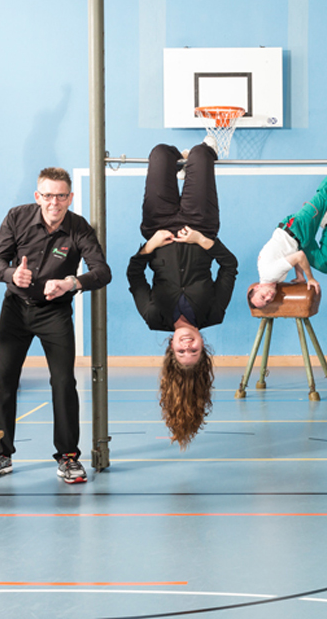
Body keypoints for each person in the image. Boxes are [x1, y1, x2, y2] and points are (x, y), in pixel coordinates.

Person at [0, 167, 112, 484]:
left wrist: (71, 283)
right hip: (15, 309)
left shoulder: (79, 228)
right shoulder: (17, 217)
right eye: (48, 195)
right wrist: (12, 274)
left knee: (63, 383)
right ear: (38, 196)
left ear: (70, 197)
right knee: (4, 382)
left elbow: (102, 272)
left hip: (55, 312)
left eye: (61, 196)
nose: (54, 202)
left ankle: (68, 457)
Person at [126, 139, 238, 450]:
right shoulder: (213, 313)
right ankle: (191, 167)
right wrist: (202, 241)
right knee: (201, 153)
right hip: (200, 223)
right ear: (203, 348)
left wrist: (150, 246)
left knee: (160, 153)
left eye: (181, 352)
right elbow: (229, 267)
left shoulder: (154, 317)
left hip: (158, 224)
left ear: (170, 348)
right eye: (194, 351)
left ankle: (179, 168)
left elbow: (134, 275)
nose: (187, 346)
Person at [248, 145, 327, 309]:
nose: (269, 297)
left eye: (263, 296)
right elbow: (291, 255)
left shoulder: (270, 274)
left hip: (296, 228)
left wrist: (310, 278)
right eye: (267, 301)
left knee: (325, 194)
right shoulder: (272, 279)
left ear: (257, 287)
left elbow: (299, 256)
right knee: (325, 264)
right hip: (299, 242)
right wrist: (300, 277)